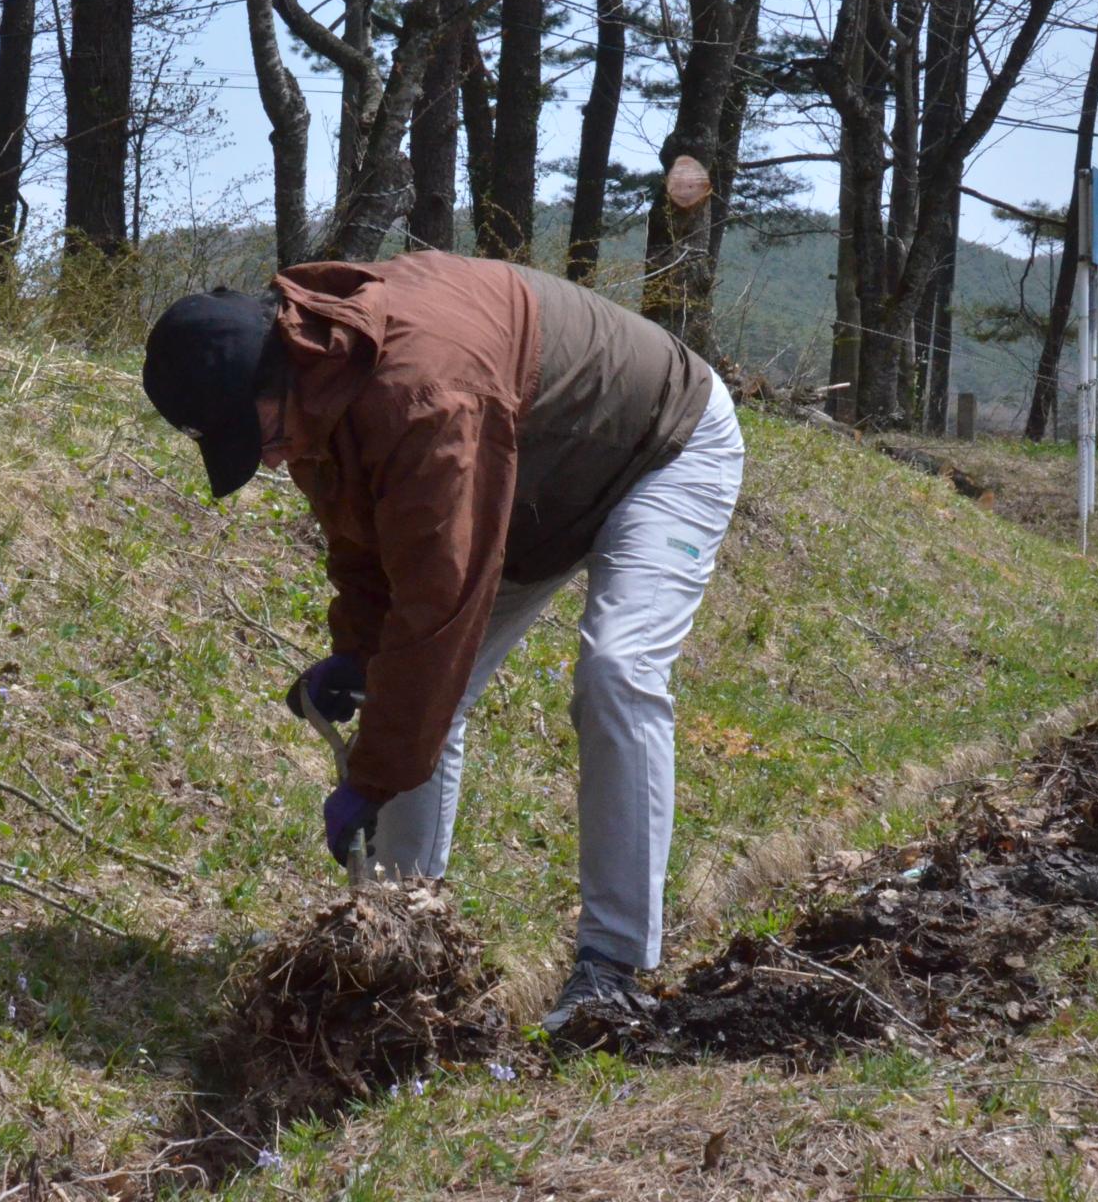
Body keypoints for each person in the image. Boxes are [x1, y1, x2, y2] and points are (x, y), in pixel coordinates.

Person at [142, 251, 743, 1031]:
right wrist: (359, 652)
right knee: (413, 687)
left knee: (616, 671)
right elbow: (367, 542)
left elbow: (436, 611)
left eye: (250, 437)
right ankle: (399, 944)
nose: (262, 461)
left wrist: (378, 777)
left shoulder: (422, 393)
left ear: (275, 379)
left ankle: (614, 966)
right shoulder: (314, 390)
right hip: (529, 487)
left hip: (661, 445)